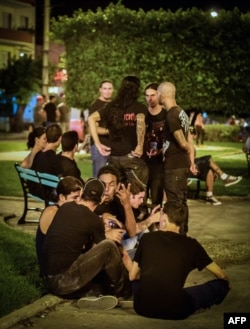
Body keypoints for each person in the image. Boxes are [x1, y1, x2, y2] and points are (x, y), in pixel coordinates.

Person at [125, 203, 230, 320]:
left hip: (141, 307)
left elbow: (132, 276)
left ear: (164, 218)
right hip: (175, 310)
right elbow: (221, 275)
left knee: (138, 284)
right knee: (220, 285)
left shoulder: (147, 239)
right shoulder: (191, 245)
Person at [41, 177, 130, 307]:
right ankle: (125, 292)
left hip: (49, 280)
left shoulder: (65, 207)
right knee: (109, 246)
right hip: (64, 280)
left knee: (99, 288)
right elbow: (101, 251)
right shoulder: (93, 220)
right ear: (101, 200)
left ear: (82, 193)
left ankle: (92, 295)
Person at [88, 76, 148, 187]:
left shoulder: (112, 106)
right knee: (137, 193)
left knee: (116, 193)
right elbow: (141, 123)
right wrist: (140, 146)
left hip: (114, 157)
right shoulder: (139, 107)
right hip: (132, 156)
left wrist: (97, 144)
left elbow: (91, 118)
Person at [157, 81, 197, 234]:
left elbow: (183, 142)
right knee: (182, 200)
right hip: (182, 165)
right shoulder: (182, 112)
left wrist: (186, 149)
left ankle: (178, 234)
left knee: (175, 202)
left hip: (174, 166)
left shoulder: (172, 115)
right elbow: (190, 140)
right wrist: (191, 161)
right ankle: (183, 232)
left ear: (162, 95)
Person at [36, 176, 83, 273]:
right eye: (75, 197)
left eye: (80, 197)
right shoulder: (52, 212)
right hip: (54, 273)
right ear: (62, 197)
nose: (79, 201)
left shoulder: (65, 211)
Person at [189, 126, 242, 205]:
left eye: (191, 133)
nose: (189, 135)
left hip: (193, 169)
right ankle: (224, 177)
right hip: (186, 170)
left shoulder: (191, 145)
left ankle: (209, 196)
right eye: (188, 133)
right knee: (208, 159)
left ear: (195, 136)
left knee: (209, 170)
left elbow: (193, 158)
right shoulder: (184, 144)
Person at [144, 82, 167, 206]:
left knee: (156, 194)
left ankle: (156, 222)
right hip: (143, 159)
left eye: (152, 95)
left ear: (159, 95)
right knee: (141, 194)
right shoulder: (143, 114)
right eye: (147, 96)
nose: (150, 99)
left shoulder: (166, 114)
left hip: (159, 161)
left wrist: (161, 150)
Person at [86, 79, 114, 176]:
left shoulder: (113, 105)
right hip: (99, 146)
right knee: (99, 176)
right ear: (100, 90)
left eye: (110, 88)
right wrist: (110, 131)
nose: (107, 91)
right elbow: (94, 128)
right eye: (105, 88)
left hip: (113, 145)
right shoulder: (95, 106)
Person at [30, 124, 62, 199]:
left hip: (34, 191)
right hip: (46, 194)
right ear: (60, 139)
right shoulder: (55, 159)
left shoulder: (38, 155)